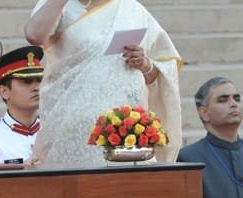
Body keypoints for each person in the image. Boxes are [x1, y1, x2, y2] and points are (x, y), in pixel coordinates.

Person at [23, 0, 183, 167]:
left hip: (127, 126)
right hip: (73, 123)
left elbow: (158, 70)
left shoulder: (131, 9)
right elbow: (34, 36)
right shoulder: (62, 5)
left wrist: (144, 64)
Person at [176, 77, 243, 198]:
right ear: (204, 113)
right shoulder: (188, 158)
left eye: (237, 99)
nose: (234, 104)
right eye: (223, 100)